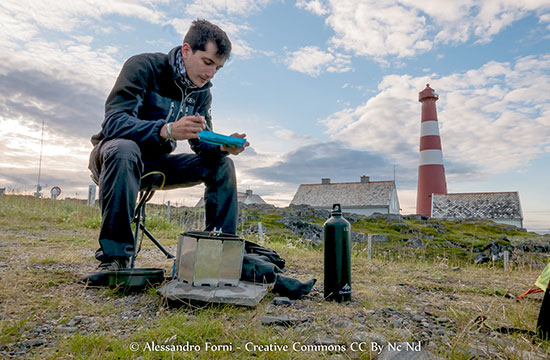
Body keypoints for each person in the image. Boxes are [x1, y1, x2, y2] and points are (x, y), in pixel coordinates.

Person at [87, 19, 248, 272]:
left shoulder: (202, 93)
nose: (210, 74)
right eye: (207, 63)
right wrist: (166, 129)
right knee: (125, 150)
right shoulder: (143, 66)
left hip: (158, 164)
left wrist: (222, 146)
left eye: (217, 68)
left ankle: (219, 256)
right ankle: (114, 259)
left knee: (222, 165)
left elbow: (200, 141)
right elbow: (114, 122)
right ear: (186, 50)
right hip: (114, 159)